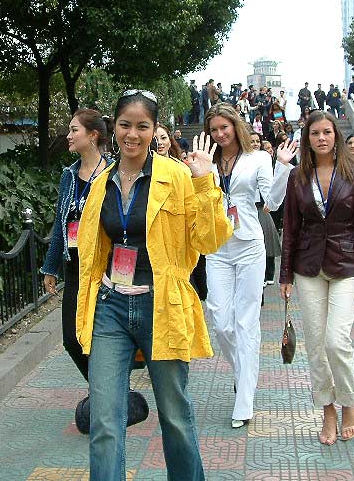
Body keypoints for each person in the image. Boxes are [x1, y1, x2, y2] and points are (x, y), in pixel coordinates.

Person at [76, 89, 232, 481]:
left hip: (160, 305)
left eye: (142, 126)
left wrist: (205, 182)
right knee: (104, 421)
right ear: (114, 128)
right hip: (110, 306)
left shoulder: (177, 176)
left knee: (175, 417)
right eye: (125, 125)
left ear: (154, 129)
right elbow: (92, 250)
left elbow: (209, 240)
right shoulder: (102, 183)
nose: (133, 134)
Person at [279, 110, 354, 446]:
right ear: (306, 139)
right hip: (308, 266)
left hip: (347, 265)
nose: (321, 138)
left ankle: (349, 402)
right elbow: (290, 228)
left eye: (326, 132)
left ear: (335, 135)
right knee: (316, 344)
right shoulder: (298, 177)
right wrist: (285, 275)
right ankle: (327, 410)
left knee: (337, 341)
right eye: (314, 133)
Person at [204, 103, 297, 429]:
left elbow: (271, 202)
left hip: (249, 246)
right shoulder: (207, 161)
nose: (220, 134)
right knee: (221, 321)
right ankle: (243, 373)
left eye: (224, 127)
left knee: (246, 322)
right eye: (214, 129)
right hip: (216, 246)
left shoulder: (256, 159)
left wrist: (282, 167)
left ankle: (244, 401)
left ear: (235, 126)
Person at [41, 110, 112, 390]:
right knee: (72, 339)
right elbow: (60, 224)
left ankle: (107, 393)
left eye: (74, 130)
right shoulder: (68, 176)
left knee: (102, 337)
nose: (69, 136)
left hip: (105, 268)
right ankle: (106, 389)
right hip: (75, 265)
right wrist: (51, 267)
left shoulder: (112, 173)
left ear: (93, 135)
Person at [249, 132, 281, 290]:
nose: (255, 144)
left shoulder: (265, 160)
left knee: (268, 241)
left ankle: (269, 274)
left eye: (257, 141)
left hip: (263, 207)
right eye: (252, 141)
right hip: (247, 209)